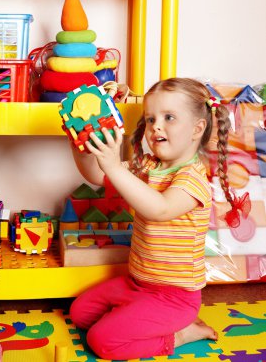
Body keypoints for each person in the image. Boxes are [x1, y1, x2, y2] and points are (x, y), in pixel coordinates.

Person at [67, 77, 235, 360]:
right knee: (80, 313)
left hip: (175, 299)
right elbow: (98, 176)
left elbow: (158, 209)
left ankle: (181, 334)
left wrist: (112, 164)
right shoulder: (148, 166)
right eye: (151, 118)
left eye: (169, 117)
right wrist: (82, 145)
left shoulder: (192, 179)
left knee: (101, 341)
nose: (156, 125)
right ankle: (138, 319)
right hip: (138, 284)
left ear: (198, 128)